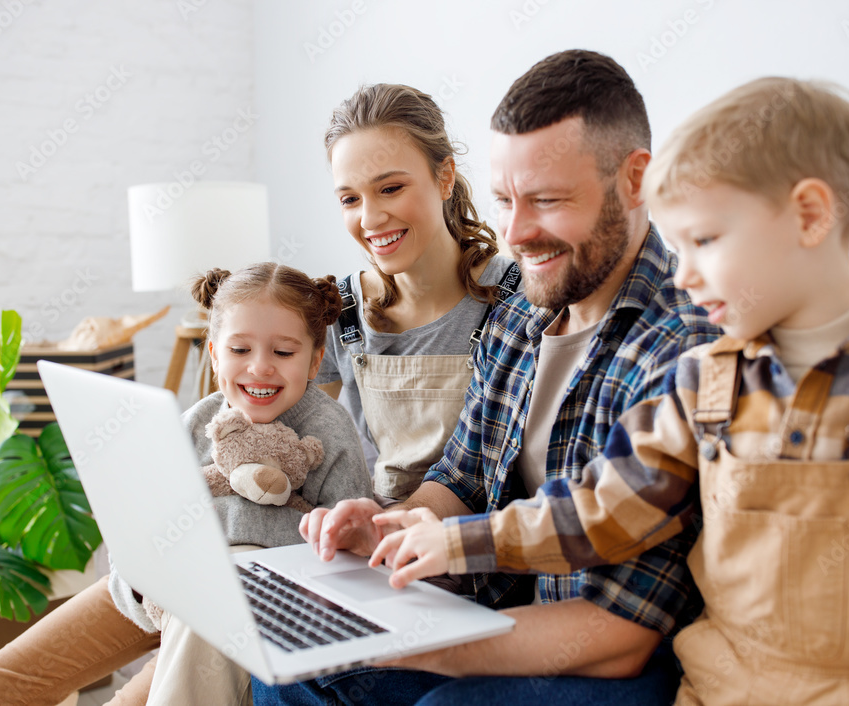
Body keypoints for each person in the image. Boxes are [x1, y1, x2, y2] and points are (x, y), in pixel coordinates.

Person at [373, 77, 849, 705]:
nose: (681, 274)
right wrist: (456, 541)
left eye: (705, 241)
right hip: (716, 693)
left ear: (811, 216)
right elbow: (602, 509)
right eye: (677, 246)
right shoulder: (707, 377)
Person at [262, 50, 719, 706]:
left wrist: (417, 641)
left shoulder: (682, 346)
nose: (516, 232)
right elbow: (463, 475)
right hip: (500, 611)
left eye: (547, 201)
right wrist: (391, 525)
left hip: (607, 651)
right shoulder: (520, 314)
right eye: (505, 200)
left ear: (635, 181)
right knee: (290, 660)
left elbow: (622, 632)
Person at [0, 263, 373, 706]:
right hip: (158, 588)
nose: (260, 368)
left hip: (238, 604)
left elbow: (348, 565)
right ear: (214, 353)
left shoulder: (329, 434)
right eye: (240, 349)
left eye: (284, 353)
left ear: (315, 360)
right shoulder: (195, 421)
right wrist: (143, 589)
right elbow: (140, 528)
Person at [315, 82, 520, 503]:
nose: (370, 218)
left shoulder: (518, 298)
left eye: (390, 188)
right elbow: (310, 448)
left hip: (473, 550)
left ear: (444, 177)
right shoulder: (338, 311)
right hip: (368, 544)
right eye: (350, 199)